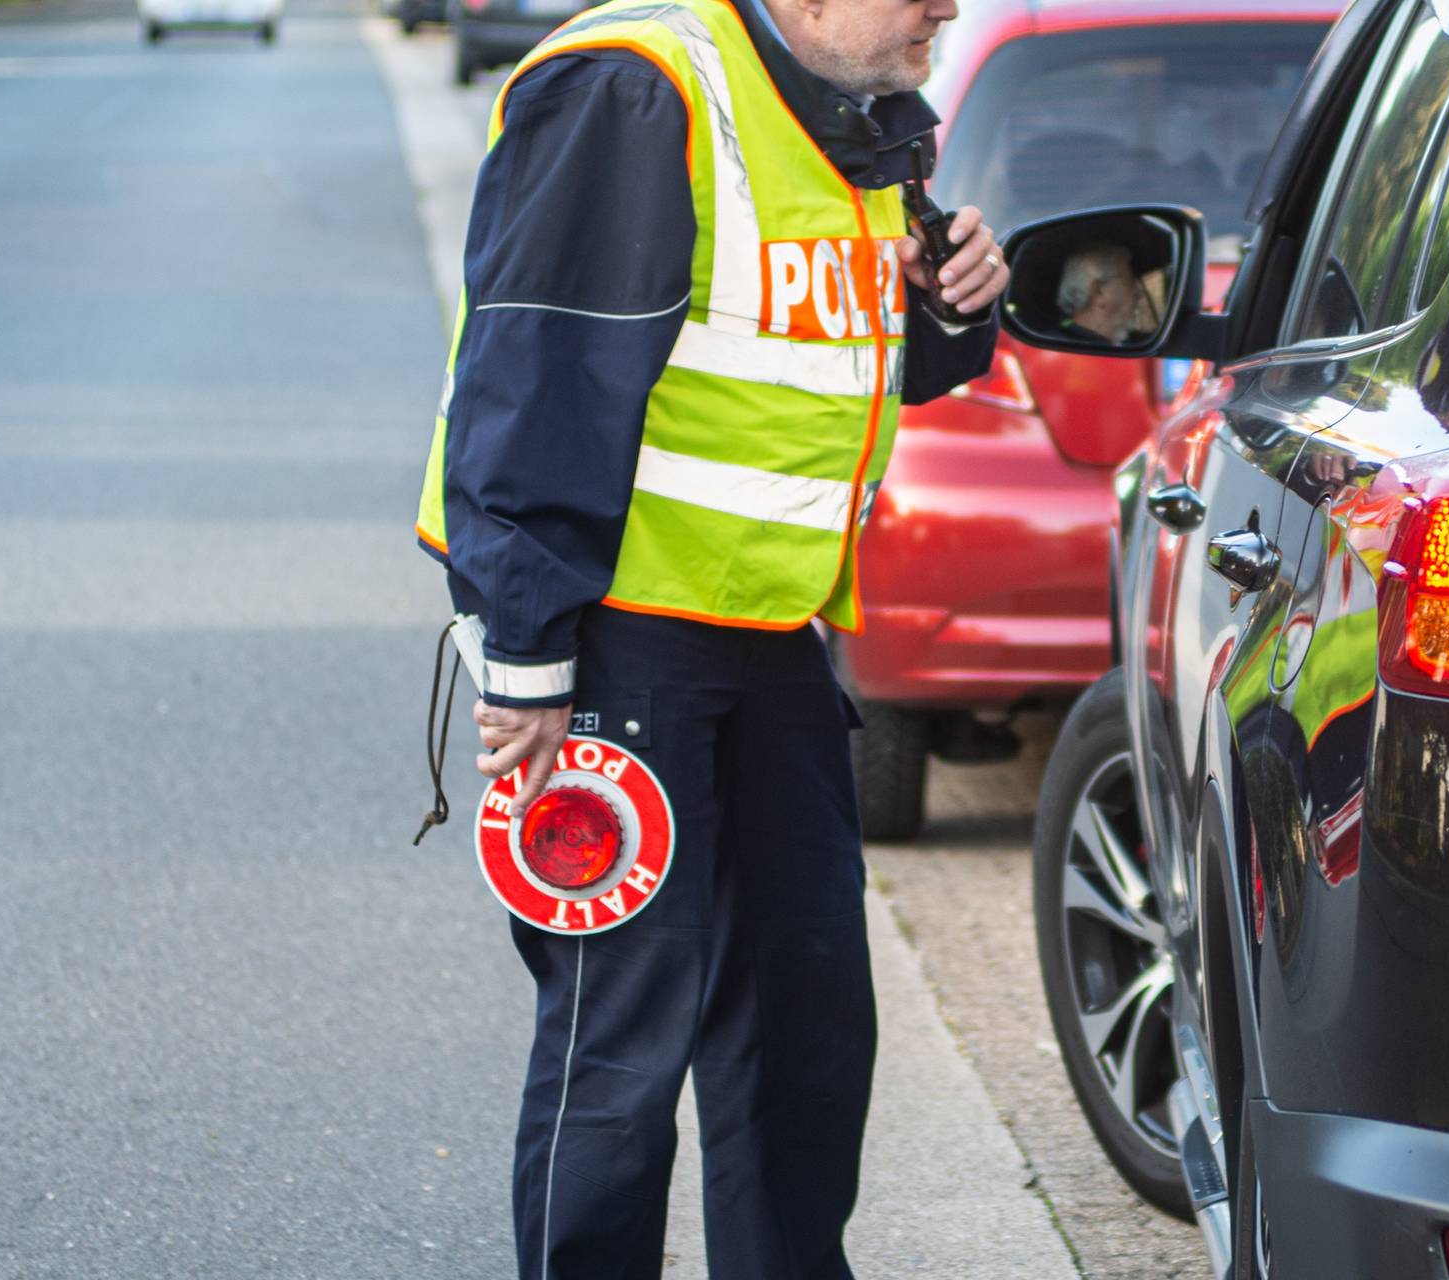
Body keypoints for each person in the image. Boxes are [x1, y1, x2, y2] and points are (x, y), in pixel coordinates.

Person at [405, 0, 1008, 1270]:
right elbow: (539, 376)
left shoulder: (852, 119)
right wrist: (523, 656)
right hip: (620, 644)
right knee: (620, 1052)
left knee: (808, 1039)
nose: (949, 5)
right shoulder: (639, 87)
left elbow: (823, 368)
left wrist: (951, 307)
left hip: (770, 644)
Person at [1057, 241, 1156, 344]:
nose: (1140, 294)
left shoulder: (1133, 343)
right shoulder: (1062, 344)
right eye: (1130, 281)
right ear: (1099, 291)